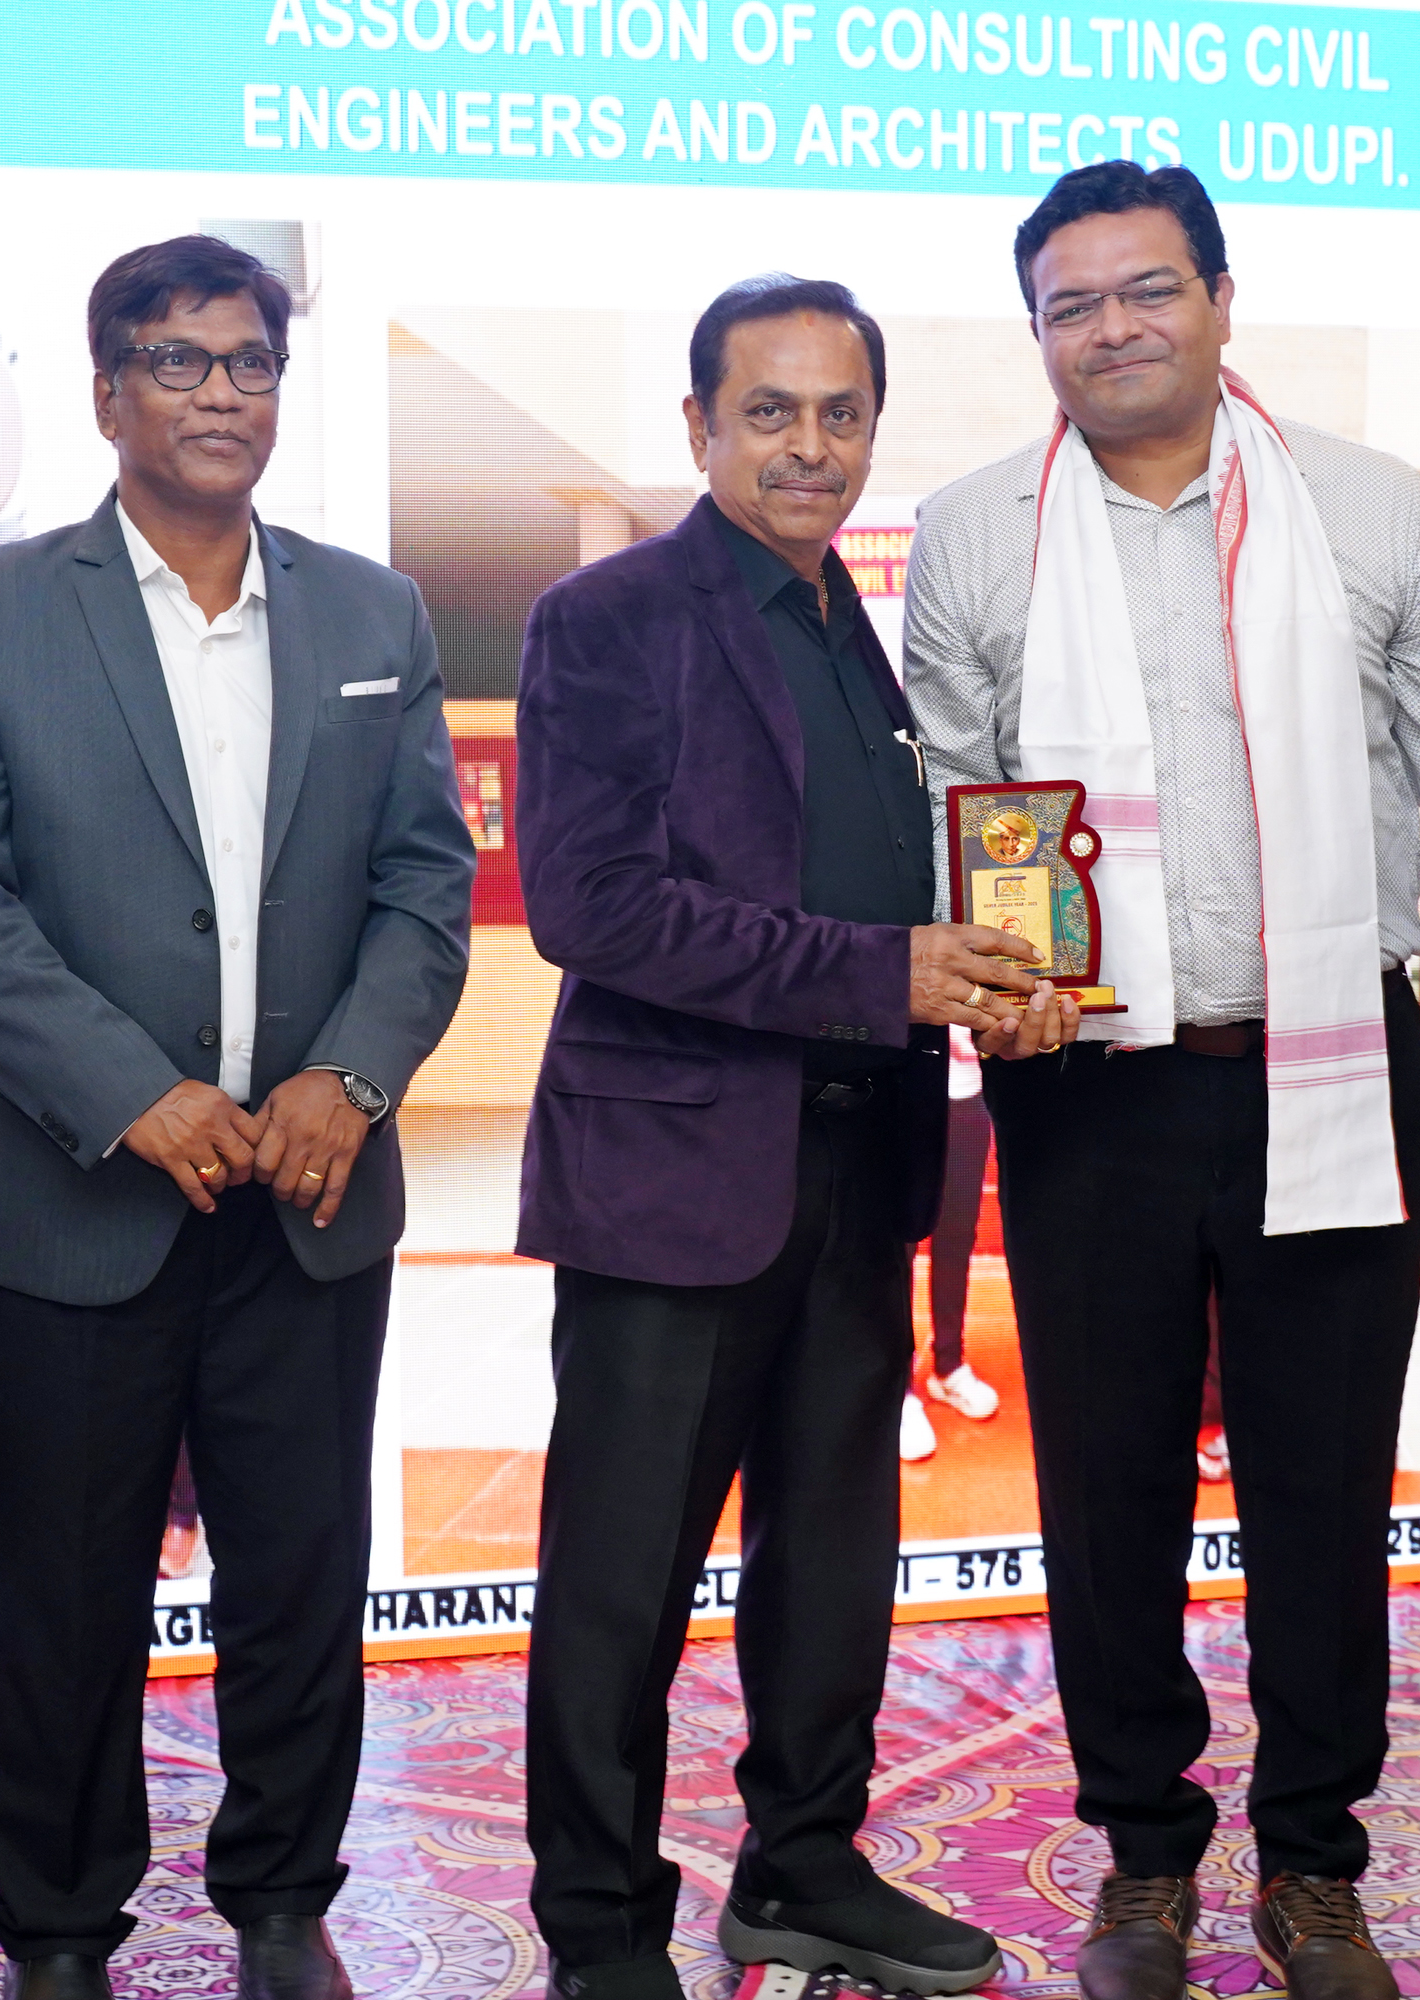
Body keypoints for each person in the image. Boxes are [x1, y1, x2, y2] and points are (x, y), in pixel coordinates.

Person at [903, 162, 1420, 2000]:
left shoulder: (1367, 507)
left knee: (1325, 1488)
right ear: (1036, 334)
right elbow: (958, 801)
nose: (1112, 329)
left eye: (1147, 289)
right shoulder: (976, 532)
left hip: (1333, 1063)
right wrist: (993, 987)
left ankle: (1315, 1865)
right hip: (1090, 1086)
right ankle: (1145, 1858)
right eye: (1070, 305)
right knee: (1107, 1496)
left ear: (1223, 299)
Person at [0, 233, 474, 2000]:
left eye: (249, 361)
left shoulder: (372, 614)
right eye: (177, 360)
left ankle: (283, 1903)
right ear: (105, 394)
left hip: (308, 1200)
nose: (221, 391)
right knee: (67, 1597)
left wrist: (349, 1081)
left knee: (300, 1581)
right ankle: (62, 1927)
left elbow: (425, 886)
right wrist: (131, 1094)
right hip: (77, 1206)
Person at [513, 273, 1068, 2000]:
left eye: (841, 413)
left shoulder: (857, 634)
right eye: (770, 411)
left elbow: (898, 874)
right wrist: (884, 971)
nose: (809, 446)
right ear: (700, 426)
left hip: (858, 1159)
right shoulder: (610, 618)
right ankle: (603, 1927)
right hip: (672, 1179)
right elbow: (594, 905)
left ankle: (803, 1865)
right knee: (623, 1582)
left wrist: (1004, 973)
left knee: (832, 1562)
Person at [902, 1025, 1003, 1462]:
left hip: (967, 1095)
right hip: (903, 1098)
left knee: (957, 1238)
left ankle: (948, 1363)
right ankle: (899, 1387)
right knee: (899, 1244)